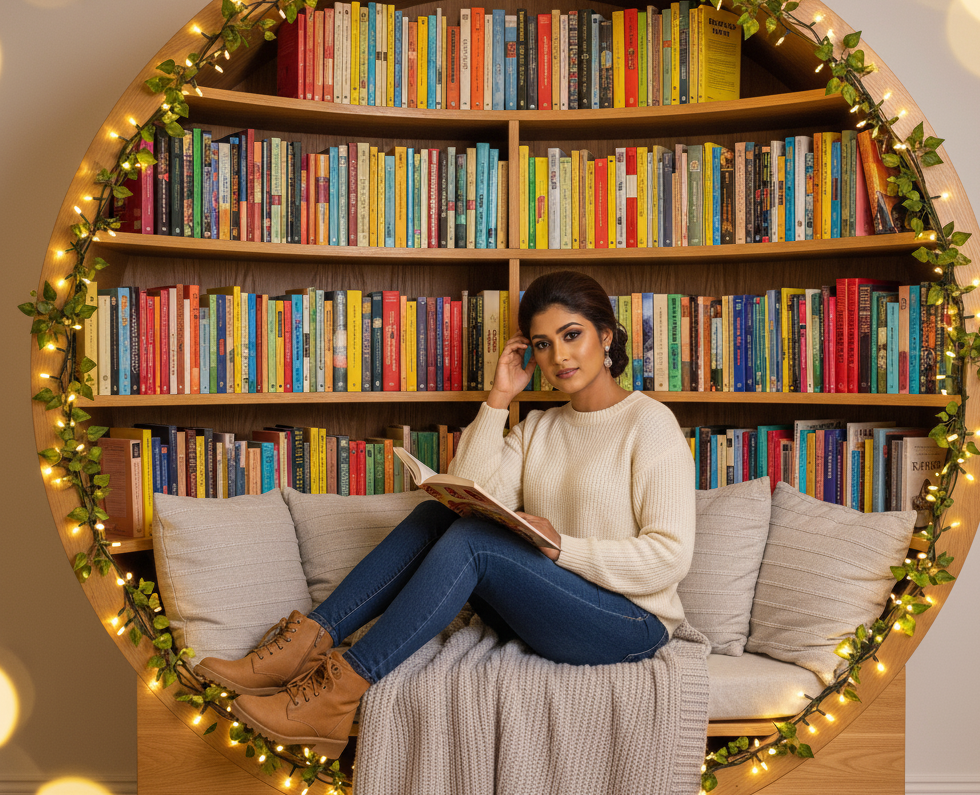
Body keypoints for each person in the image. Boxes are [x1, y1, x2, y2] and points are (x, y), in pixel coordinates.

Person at [196, 270, 696, 759]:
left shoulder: (649, 424)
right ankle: (303, 645)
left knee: (473, 543)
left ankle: (338, 694)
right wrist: (500, 397)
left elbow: (669, 557)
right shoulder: (541, 427)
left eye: (572, 335)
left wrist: (563, 546)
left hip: (629, 623)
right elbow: (471, 489)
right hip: (556, 606)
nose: (559, 356)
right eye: (543, 344)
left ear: (605, 335)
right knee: (441, 517)